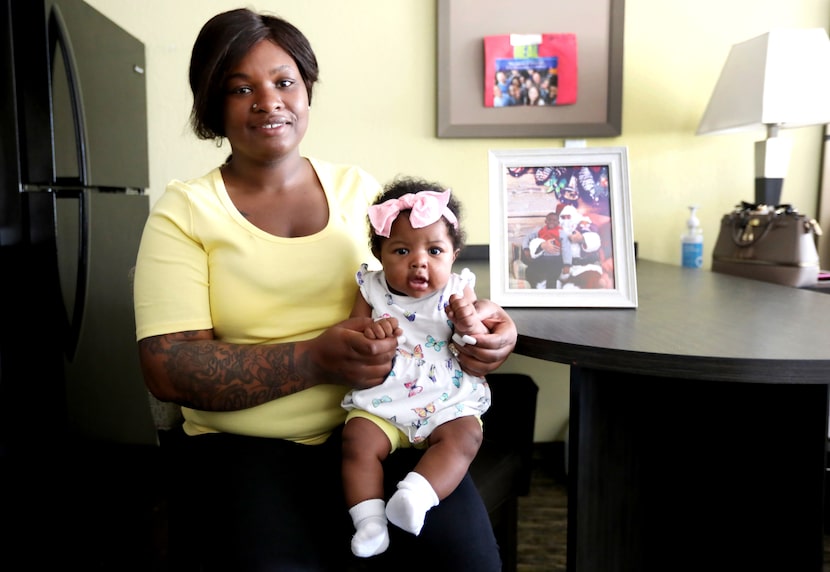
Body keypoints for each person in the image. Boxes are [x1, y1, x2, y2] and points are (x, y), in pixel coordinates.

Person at [131, 8, 517, 572]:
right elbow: (167, 368)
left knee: (469, 563)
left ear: (307, 90)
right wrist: (314, 360)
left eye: (285, 82)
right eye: (242, 89)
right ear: (214, 103)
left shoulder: (363, 194)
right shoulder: (185, 213)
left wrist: (488, 324)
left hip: (391, 422)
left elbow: (419, 286)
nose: (269, 101)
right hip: (246, 451)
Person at [341, 178, 492, 558]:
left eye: (435, 250)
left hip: (444, 397)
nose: (419, 261)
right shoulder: (371, 289)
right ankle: (370, 522)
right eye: (402, 250)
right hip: (385, 395)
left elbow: (474, 338)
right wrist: (372, 333)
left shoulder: (458, 290)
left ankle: (416, 496)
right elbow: (352, 333)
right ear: (379, 253)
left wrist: (467, 320)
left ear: (454, 254)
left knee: (466, 437)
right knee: (357, 440)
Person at [521, 209, 564, 289]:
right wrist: (526, 249)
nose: (551, 222)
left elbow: (566, 246)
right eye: (549, 220)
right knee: (529, 271)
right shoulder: (540, 231)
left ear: (558, 222)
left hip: (556, 259)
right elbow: (527, 238)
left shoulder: (562, 232)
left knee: (552, 276)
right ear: (545, 221)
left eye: (554, 220)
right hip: (541, 258)